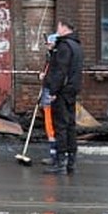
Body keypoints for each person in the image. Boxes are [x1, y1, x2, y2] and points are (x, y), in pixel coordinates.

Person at [42, 20, 84, 175]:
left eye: (58, 27)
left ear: (65, 27)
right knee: (70, 125)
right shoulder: (76, 46)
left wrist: (53, 91)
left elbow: (60, 71)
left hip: (61, 91)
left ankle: (60, 162)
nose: (57, 29)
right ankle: (71, 161)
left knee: (60, 125)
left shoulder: (64, 46)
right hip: (72, 90)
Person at [38, 33, 59, 166]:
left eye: (49, 44)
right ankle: (54, 153)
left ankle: (55, 154)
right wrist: (42, 75)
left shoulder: (57, 58)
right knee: (48, 121)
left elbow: (57, 76)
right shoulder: (50, 56)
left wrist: (53, 90)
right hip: (47, 90)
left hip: (52, 92)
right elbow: (47, 72)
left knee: (52, 122)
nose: (48, 46)